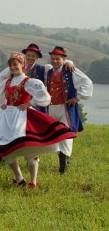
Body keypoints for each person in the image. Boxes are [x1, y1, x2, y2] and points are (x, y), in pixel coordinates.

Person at [0, 52, 76, 188]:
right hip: (8, 117)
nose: (13, 67)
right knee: (7, 150)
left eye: (16, 64)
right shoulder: (7, 82)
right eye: (11, 65)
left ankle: (33, 181)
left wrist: (30, 103)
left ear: (22, 65)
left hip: (23, 117)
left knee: (31, 150)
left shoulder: (28, 81)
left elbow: (45, 96)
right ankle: (19, 179)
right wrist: (3, 104)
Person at [45, 46, 93, 174]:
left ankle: (63, 168)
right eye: (53, 59)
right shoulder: (49, 70)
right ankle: (64, 161)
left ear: (63, 59)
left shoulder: (70, 70)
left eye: (58, 59)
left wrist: (77, 98)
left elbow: (87, 82)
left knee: (66, 135)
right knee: (54, 135)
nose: (55, 61)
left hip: (66, 108)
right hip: (52, 107)